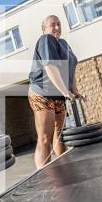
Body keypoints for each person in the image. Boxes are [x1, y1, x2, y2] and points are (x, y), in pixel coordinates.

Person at [28, 15, 82, 169]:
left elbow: (70, 69)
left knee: (60, 133)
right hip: (41, 93)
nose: (57, 27)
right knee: (45, 137)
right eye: (52, 25)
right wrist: (65, 91)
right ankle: (43, 176)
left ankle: (64, 169)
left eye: (59, 24)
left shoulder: (64, 44)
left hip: (59, 94)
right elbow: (50, 66)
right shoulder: (46, 40)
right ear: (44, 29)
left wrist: (74, 91)